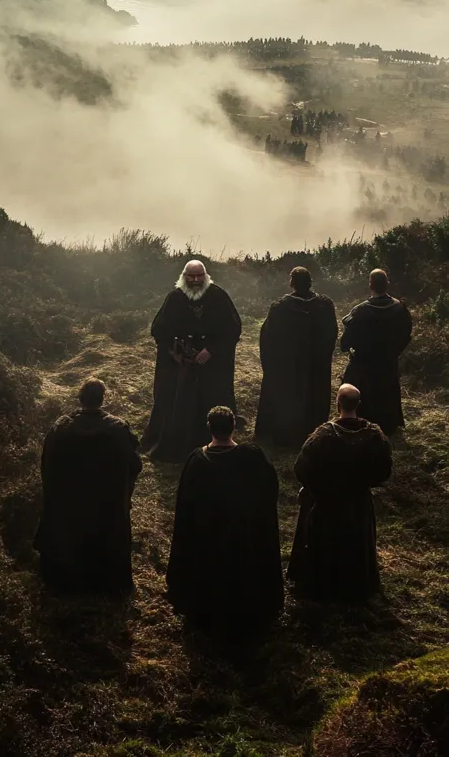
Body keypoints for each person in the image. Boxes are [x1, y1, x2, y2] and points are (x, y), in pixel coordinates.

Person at [166, 406, 284, 637]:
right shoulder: (252, 457)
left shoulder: (197, 462)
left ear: (209, 428)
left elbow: (186, 507)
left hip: (209, 542)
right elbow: (270, 491)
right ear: (233, 427)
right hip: (243, 538)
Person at [34, 378, 142, 597]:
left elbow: (46, 465)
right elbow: (134, 465)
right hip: (106, 508)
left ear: (80, 398)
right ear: (102, 399)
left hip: (69, 507)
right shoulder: (117, 429)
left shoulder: (61, 428)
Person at [287, 384, 392, 604]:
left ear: (337, 403)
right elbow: (384, 471)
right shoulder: (374, 436)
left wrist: (319, 487)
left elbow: (301, 470)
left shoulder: (323, 436)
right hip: (357, 505)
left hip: (326, 506)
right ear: (359, 405)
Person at [142, 260, 242, 463]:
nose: (195, 280)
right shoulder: (175, 298)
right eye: (191, 276)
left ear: (205, 276)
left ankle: (212, 438)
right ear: (184, 276)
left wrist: (211, 350)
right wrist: (174, 352)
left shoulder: (218, 296)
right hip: (182, 365)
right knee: (179, 401)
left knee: (209, 399)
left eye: (199, 276)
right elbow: (159, 330)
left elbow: (232, 328)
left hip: (211, 365)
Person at [255, 267, 338, 449]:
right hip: (316, 366)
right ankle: (314, 434)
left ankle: (287, 436)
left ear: (291, 282)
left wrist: (271, 365)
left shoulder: (280, 308)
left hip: (288, 367)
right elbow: (331, 335)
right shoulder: (325, 306)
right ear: (310, 282)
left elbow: (268, 338)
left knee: (289, 398)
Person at [341, 269, 412, 435]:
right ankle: (389, 424)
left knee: (351, 384)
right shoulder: (400, 308)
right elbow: (406, 336)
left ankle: (355, 420)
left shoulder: (360, 311)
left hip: (363, 365)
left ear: (370, 285)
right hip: (388, 363)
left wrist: (352, 349)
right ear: (387, 284)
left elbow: (345, 343)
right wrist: (394, 352)